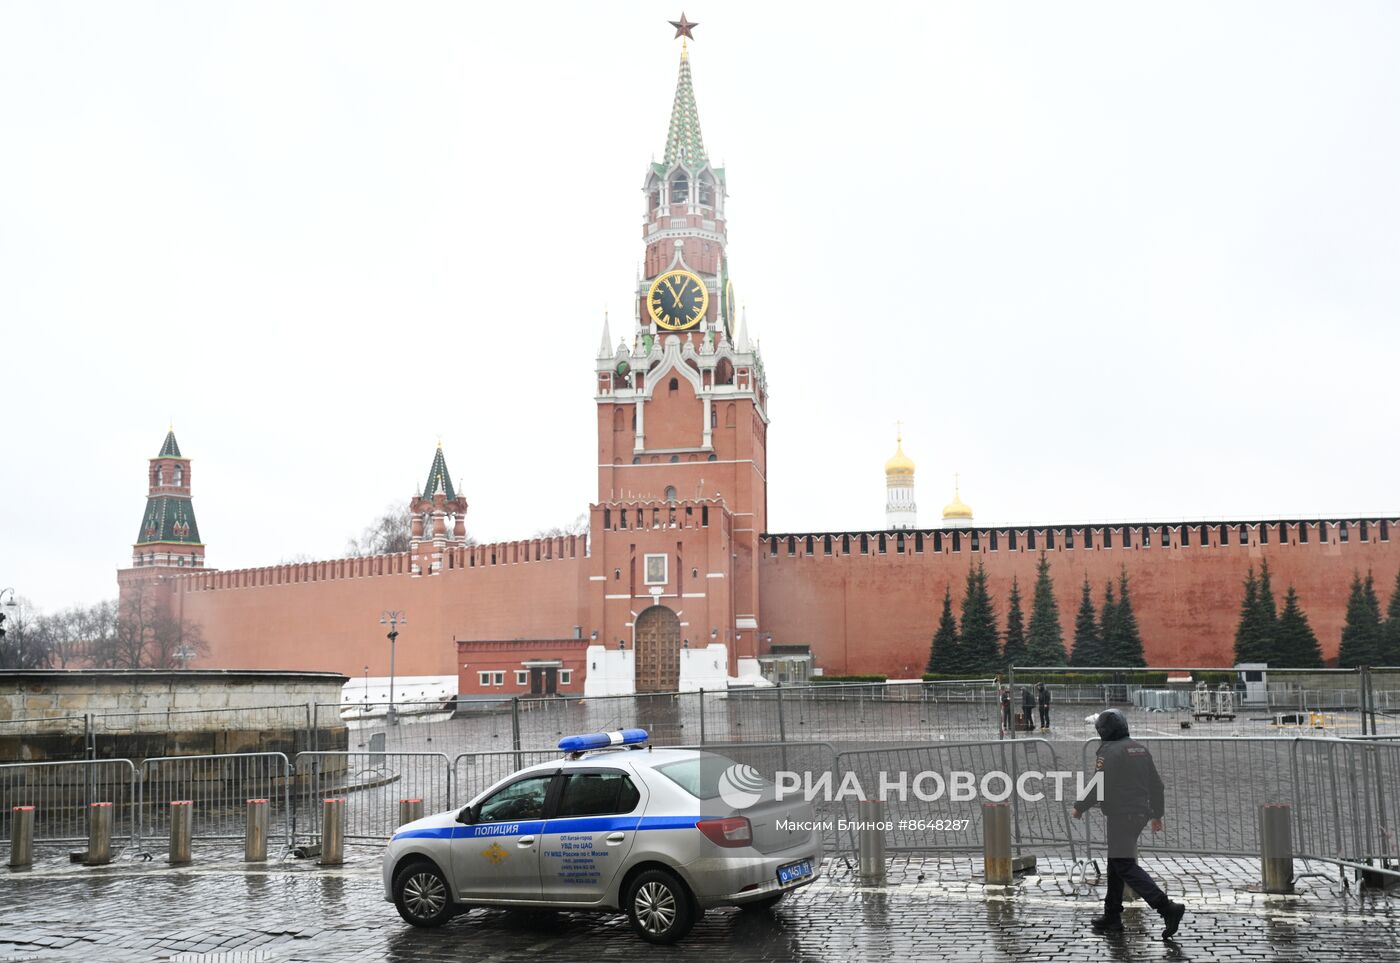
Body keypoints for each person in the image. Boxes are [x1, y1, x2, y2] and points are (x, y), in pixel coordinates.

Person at [1073, 709, 1186, 939]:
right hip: (1139, 814)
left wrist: (1080, 806)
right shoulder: (1139, 749)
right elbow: (1157, 785)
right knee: (1115, 864)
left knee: (1124, 865)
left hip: (1121, 815)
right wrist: (1157, 814)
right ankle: (1112, 916)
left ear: (1103, 731)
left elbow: (1099, 783)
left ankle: (1166, 907)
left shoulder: (1109, 751)